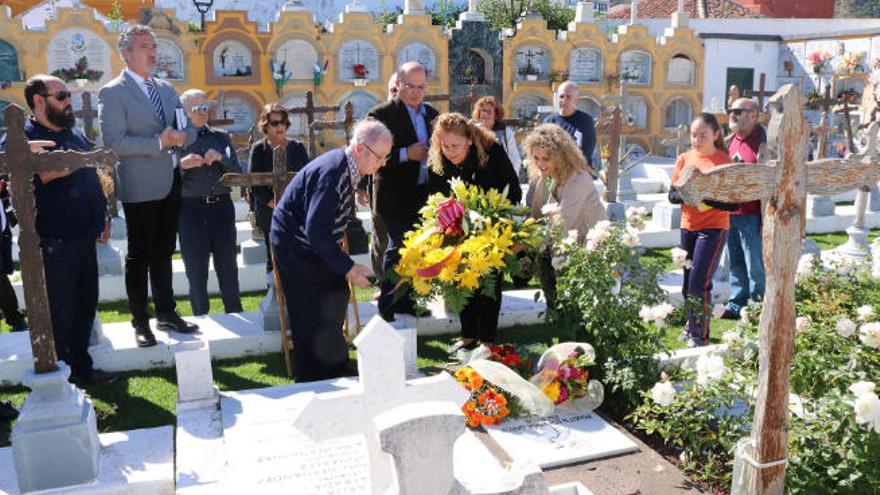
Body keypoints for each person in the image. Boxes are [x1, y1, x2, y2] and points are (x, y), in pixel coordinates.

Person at [99, 25, 198, 348]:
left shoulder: (167, 89)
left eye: (154, 45)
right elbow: (114, 143)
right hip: (140, 184)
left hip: (171, 180)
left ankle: (167, 312)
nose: (153, 51)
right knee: (140, 255)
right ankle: (141, 321)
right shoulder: (112, 92)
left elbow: (189, 129)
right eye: (144, 46)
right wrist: (158, 141)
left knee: (165, 252)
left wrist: (183, 138)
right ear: (126, 53)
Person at [270, 119, 392, 382]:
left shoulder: (348, 166)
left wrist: (344, 269)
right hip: (295, 242)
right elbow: (315, 231)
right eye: (379, 157)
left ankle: (335, 362)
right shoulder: (333, 172)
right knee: (308, 305)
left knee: (335, 292)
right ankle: (311, 373)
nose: (382, 163)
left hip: (314, 241)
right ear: (360, 149)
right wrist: (349, 267)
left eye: (385, 157)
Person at [21, 75, 113, 384]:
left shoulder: (73, 133)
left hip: (85, 236)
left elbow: (95, 175)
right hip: (55, 242)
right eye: (61, 95)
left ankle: (82, 371)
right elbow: (43, 175)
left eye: (67, 94)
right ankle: (61, 377)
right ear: (38, 100)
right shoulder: (25, 136)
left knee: (85, 308)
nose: (68, 100)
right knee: (61, 314)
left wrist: (104, 217)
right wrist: (74, 162)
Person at [426, 113, 521, 352]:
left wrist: (488, 211)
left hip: (493, 225)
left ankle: (488, 340)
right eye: (444, 145)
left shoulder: (492, 153)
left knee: (489, 282)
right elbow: (436, 197)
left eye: (455, 145)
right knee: (461, 281)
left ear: (469, 139)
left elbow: (514, 190)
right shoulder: (438, 161)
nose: (449, 151)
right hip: (456, 228)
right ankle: (468, 335)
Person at [368, 61, 439, 322]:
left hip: (422, 194)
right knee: (397, 248)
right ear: (398, 84)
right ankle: (386, 304)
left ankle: (408, 302)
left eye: (421, 87)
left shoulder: (432, 114)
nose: (416, 92)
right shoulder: (381, 115)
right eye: (411, 86)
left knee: (417, 249)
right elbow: (371, 155)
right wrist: (406, 154)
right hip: (393, 195)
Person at [667, 113, 737, 347]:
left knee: (699, 283)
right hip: (688, 227)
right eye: (693, 135)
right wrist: (688, 195)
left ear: (716, 134)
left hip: (713, 228)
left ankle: (700, 337)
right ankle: (690, 327)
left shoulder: (724, 162)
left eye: (702, 135)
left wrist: (704, 200)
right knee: (688, 284)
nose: (696, 140)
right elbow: (672, 195)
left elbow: (733, 203)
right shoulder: (685, 158)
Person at [523, 124, 606, 309]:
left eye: (546, 158)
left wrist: (527, 242)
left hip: (586, 245)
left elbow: (563, 222)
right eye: (536, 158)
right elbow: (533, 211)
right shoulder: (541, 176)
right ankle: (556, 315)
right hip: (556, 244)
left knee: (580, 303)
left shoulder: (578, 179)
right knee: (554, 296)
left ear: (560, 157)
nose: (540, 164)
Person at [177, 89, 243, 316]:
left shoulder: (221, 136)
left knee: (228, 266)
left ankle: (235, 313)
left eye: (204, 107)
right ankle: (201, 317)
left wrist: (221, 158)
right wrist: (181, 165)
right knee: (196, 269)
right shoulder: (177, 139)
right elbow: (164, 179)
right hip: (191, 210)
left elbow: (238, 173)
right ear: (185, 111)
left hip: (222, 206)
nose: (202, 112)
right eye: (196, 108)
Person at [248, 103, 309, 273]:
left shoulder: (297, 148)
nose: (280, 126)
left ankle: (298, 296)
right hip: (270, 211)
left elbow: (308, 179)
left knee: (299, 257)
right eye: (275, 123)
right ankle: (275, 298)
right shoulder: (259, 150)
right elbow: (254, 183)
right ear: (266, 126)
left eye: (283, 122)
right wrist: (273, 202)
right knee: (274, 258)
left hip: (296, 212)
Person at [721, 98, 766, 320]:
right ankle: (737, 304)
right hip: (731, 213)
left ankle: (757, 308)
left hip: (754, 215)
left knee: (755, 265)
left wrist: (767, 220)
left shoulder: (765, 142)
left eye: (738, 111)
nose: (733, 115)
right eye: (731, 110)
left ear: (753, 116)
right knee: (736, 263)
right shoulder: (729, 140)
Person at [543, 81, 597, 170]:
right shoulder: (548, 121)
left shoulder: (585, 121)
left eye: (568, 97)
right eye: (561, 96)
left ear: (576, 99)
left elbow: (587, 151)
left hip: (578, 171)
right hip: (555, 172)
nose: (564, 100)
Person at [473, 96, 523, 181]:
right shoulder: (473, 131)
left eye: (489, 111)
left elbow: (515, 160)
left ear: (496, 114)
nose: (485, 114)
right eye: (483, 110)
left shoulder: (506, 132)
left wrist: (511, 181)